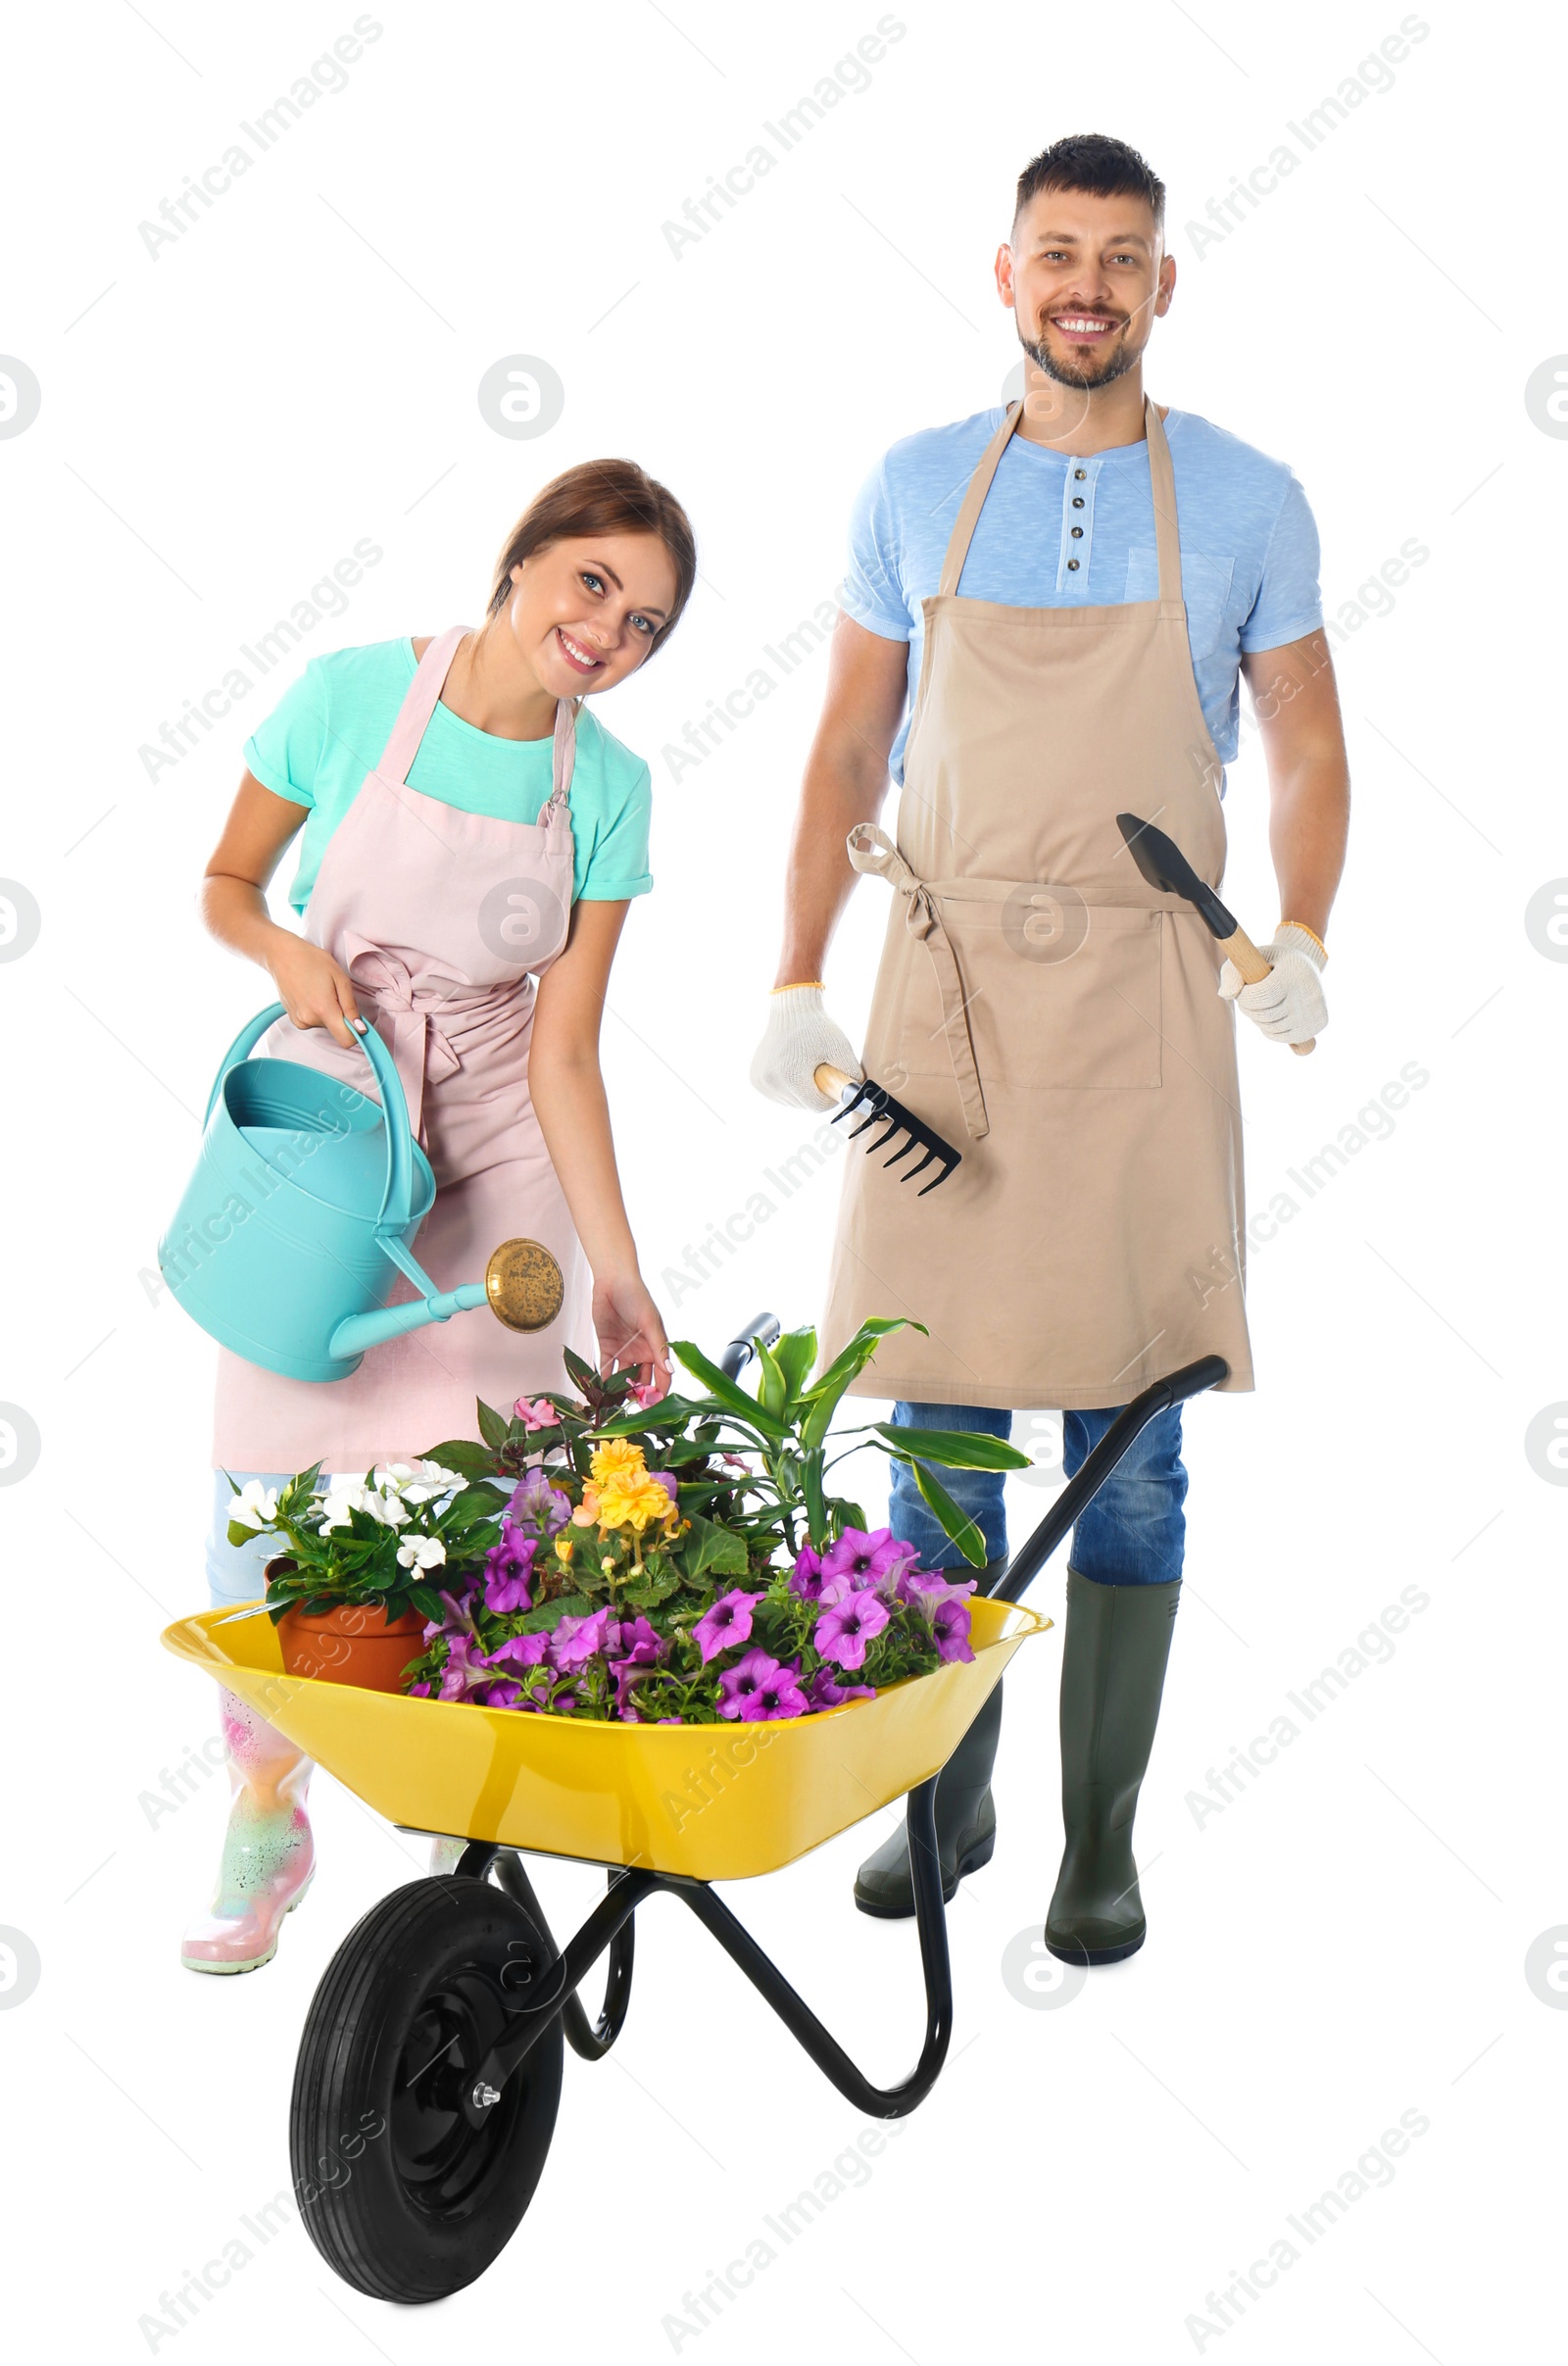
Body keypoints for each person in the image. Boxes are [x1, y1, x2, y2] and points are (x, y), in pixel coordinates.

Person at [751, 134, 1348, 1963]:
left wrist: (1304, 931)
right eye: (1055, 252)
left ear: (1167, 284)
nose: (1087, 282)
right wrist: (793, 970)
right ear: (1002, 274)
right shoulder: (917, 484)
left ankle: (1101, 1837)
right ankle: (949, 1797)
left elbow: (1311, 747)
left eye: (1123, 255)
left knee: (1136, 1440)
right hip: (945, 1009)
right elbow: (852, 749)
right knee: (939, 1437)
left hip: (1150, 1011)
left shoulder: (1248, 498)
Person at [182, 459, 694, 1973]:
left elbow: (567, 1050)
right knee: (254, 1478)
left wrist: (619, 1275)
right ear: (524, 556)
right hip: (338, 1126)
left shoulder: (606, 789)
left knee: (513, 1486)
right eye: (592, 582)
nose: (608, 631)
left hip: (494, 1147)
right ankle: (265, 1805)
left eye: (648, 622)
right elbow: (224, 879)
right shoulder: (352, 696)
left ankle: (473, 1850)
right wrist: (283, 957)